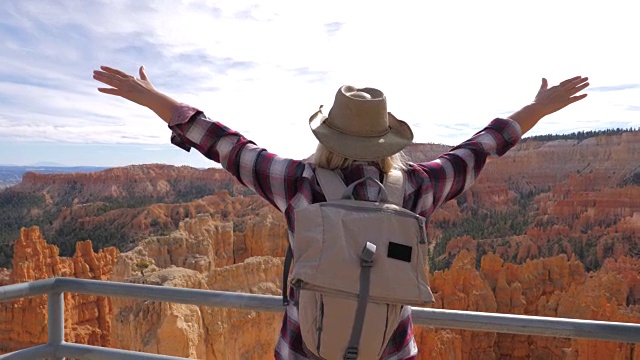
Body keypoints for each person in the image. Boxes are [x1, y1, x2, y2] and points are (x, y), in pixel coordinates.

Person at [93, 65, 589, 359]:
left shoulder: (296, 184)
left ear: (327, 136)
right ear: (387, 140)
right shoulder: (416, 187)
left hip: (304, 349)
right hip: (389, 351)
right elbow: (480, 147)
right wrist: (537, 108)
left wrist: (154, 100)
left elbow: (226, 145)